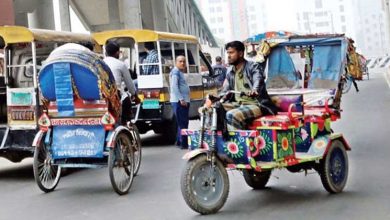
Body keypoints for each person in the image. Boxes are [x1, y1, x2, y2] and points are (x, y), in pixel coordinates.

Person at [221, 41, 277, 130]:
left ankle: (236, 143)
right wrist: (213, 99)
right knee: (211, 110)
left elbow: (257, 78)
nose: (228, 56)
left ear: (240, 53)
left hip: (256, 104)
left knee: (231, 115)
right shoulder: (230, 71)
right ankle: (214, 140)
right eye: (227, 53)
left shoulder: (253, 66)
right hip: (237, 104)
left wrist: (255, 89)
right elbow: (225, 91)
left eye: (231, 52)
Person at [103, 41, 140, 124]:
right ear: (117, 53)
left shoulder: (101, 63)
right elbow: (129, 84)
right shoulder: (120, 64)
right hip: (116, 95)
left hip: (102, 94)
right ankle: (125, 122)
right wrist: (135, 96)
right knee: (126, 99)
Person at [170, 55, 190, 149]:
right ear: (176, 62)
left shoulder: (179, 72)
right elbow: (174, 86)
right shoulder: (175, 72)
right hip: (180, 101)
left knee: (181, 122)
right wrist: (181, 99)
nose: (182, 63)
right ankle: (183, 143)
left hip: (182, 100)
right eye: (180, 61)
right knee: (183, 123)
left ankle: (179, 141)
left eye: (184, 61)